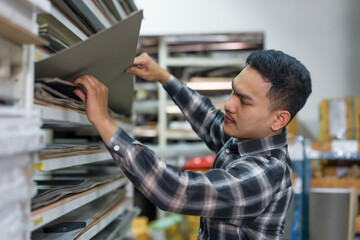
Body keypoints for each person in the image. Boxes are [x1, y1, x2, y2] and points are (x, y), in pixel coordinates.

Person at [73, 49, 312, 240]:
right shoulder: (246, 139)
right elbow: (209, 121)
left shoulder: (264, 173)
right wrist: (163, 77)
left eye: (244, 101)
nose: (229, 104)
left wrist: (103, 120)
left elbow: (176, 190)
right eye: (233, 92)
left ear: (279, 119)